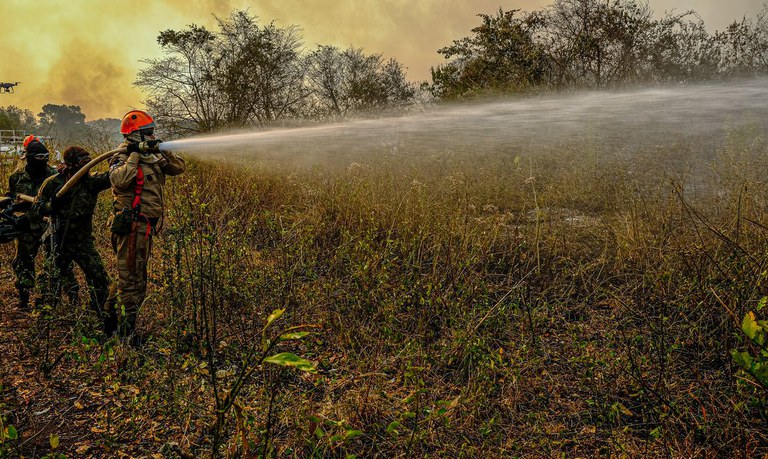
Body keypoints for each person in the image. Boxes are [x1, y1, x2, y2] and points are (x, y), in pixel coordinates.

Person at [106, 110, 185, 341]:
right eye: (148, 132)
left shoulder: (154, 156)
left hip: (145, 227)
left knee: (128, 276)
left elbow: (178, 168)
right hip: (132, 227)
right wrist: (134, 155)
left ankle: (109, 320)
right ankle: (125, 333)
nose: (152, 135)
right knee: (133, 282)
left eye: (153, 132)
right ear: (135, 135)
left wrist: (162, 149)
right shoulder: (120, 157)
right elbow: (119, 180)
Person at [32, 146, 111, 331]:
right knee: (51, 280)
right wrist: (53, 204)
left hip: (83, 241)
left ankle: (102, 316)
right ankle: (45, 321)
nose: (87, 165)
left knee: (98, 276)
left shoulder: (91, 182)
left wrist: (123, 157)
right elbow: (37, 209)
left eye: (88, 160)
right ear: (70, 164)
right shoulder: (53, 182)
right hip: (59, 240)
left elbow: (113, 177)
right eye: (82, 161)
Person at [6, 135, 75, 309]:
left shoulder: (55, 176)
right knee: (23, 263)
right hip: (26, 227)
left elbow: (64, 202)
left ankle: (57, 300)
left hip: (49, 227)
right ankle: (23, 300)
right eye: (38, 158)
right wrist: (12, 211)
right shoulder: (17, 177)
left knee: (55, 264)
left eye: (45, 157)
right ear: (28, 158)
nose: (42, 161)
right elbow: (13, 199)